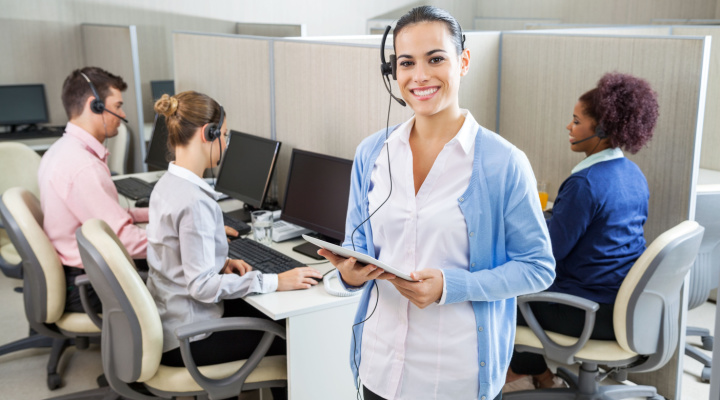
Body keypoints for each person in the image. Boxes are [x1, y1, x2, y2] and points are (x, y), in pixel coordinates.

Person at [317, 6, 555, 400]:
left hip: (454, 377)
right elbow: (357, 244)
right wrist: (350, 273)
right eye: (407, 63)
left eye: (436, 59)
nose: (420, 76)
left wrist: (452, 286)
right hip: (379, 366)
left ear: (462, 62)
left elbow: (538, 267)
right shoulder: (371, 152)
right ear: (393, 72)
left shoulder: (503, 162)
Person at [146, 91, 323, 400]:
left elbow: (180, 258)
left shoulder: (167, 185)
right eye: (224, 135)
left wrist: (220, 263)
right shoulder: (194, 201)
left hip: (169, 321)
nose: (226, 144)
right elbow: (201, 286)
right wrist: (275, 281)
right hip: (190, 337)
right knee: (291, 338)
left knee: (267, 315)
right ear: (208, 133)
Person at [503, 72, 659, 392]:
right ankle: (544, 377)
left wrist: (518, 223)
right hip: (620, 303)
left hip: (587, 311)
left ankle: (512, 373)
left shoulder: (585, 184)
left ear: (602, 129)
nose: (569, 127)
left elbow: (546, 255)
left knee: (503, 294)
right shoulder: (632, 173)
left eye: (576, 121)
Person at [38, 67, 146, 313]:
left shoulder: (62, 149)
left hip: (75, 273)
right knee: (180, 270)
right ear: (95, 105)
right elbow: (125, 243)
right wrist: (184, 240)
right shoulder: (82, 167)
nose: (122, 114)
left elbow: (107, 217)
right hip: (88, 287)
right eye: (117, 106)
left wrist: (156, 213)